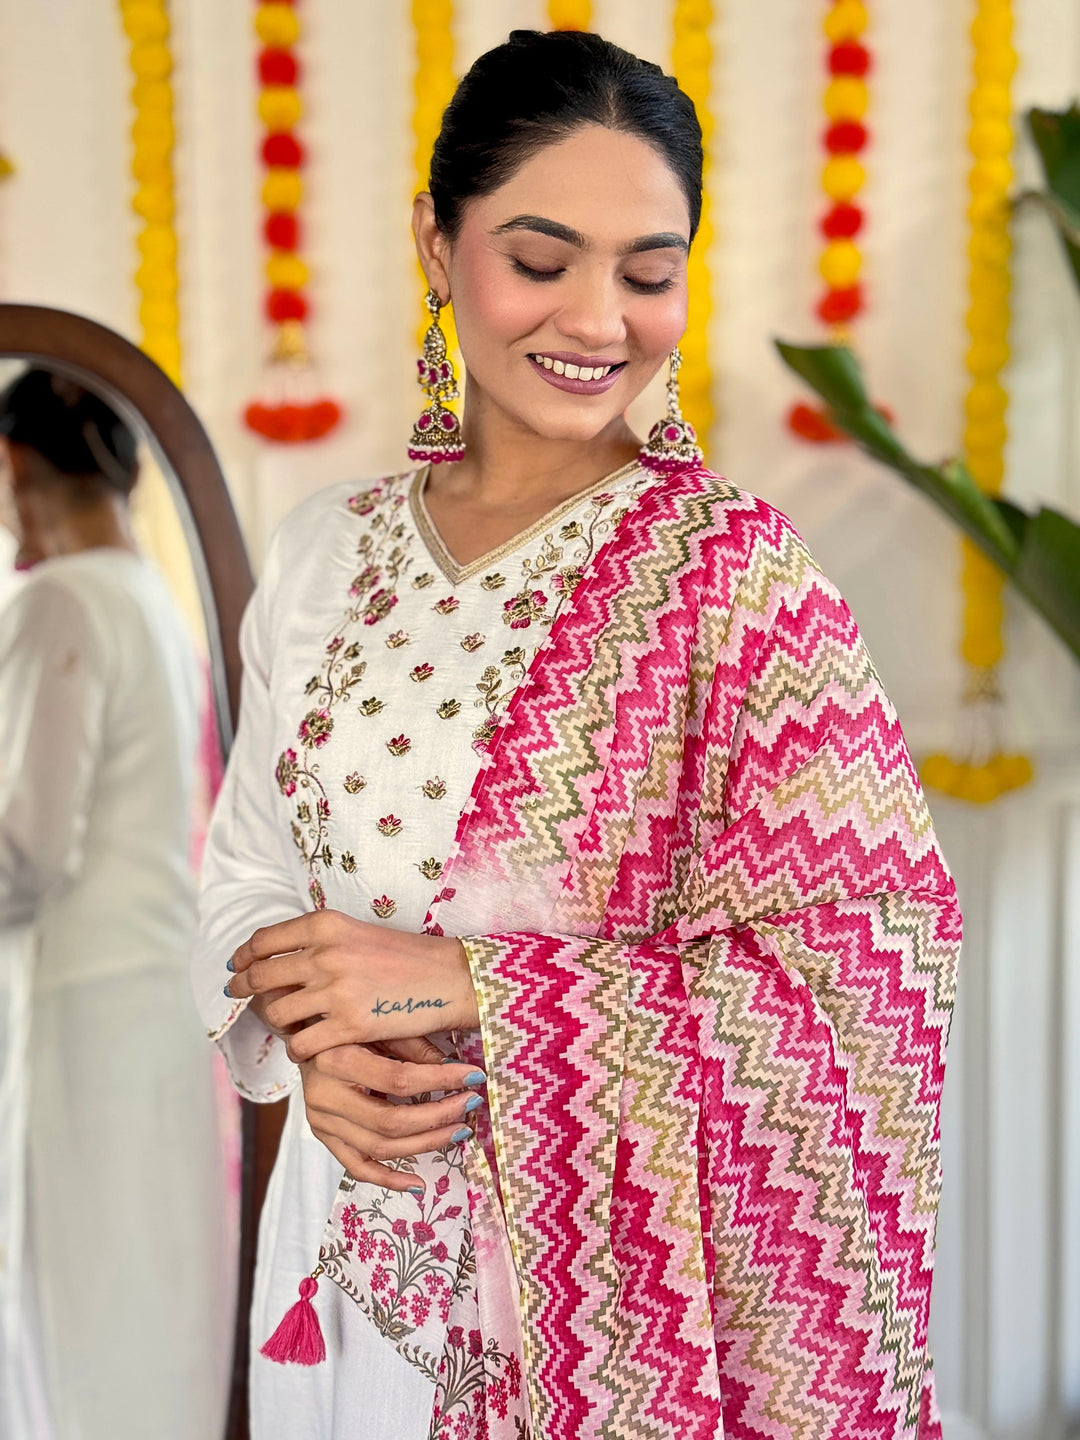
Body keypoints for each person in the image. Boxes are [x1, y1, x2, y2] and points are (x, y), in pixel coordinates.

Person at [196, 29, 961, 1440]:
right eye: (541, 262)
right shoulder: (325, 552)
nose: (599, 318)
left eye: (649, 272)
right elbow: (243, 865)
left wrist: (468, 986)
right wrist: (310, 1049)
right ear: (438, 245)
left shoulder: (738, 577)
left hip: (598, 1301)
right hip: (341, 1239)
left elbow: (870, 959)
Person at [0, 369, 230, 1439]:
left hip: (90, 1006)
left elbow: (29, 849)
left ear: (13, 470)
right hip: (158, 997)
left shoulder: (61, 599)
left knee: (86, 1293)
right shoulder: (151, 597)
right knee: (150, 1282)